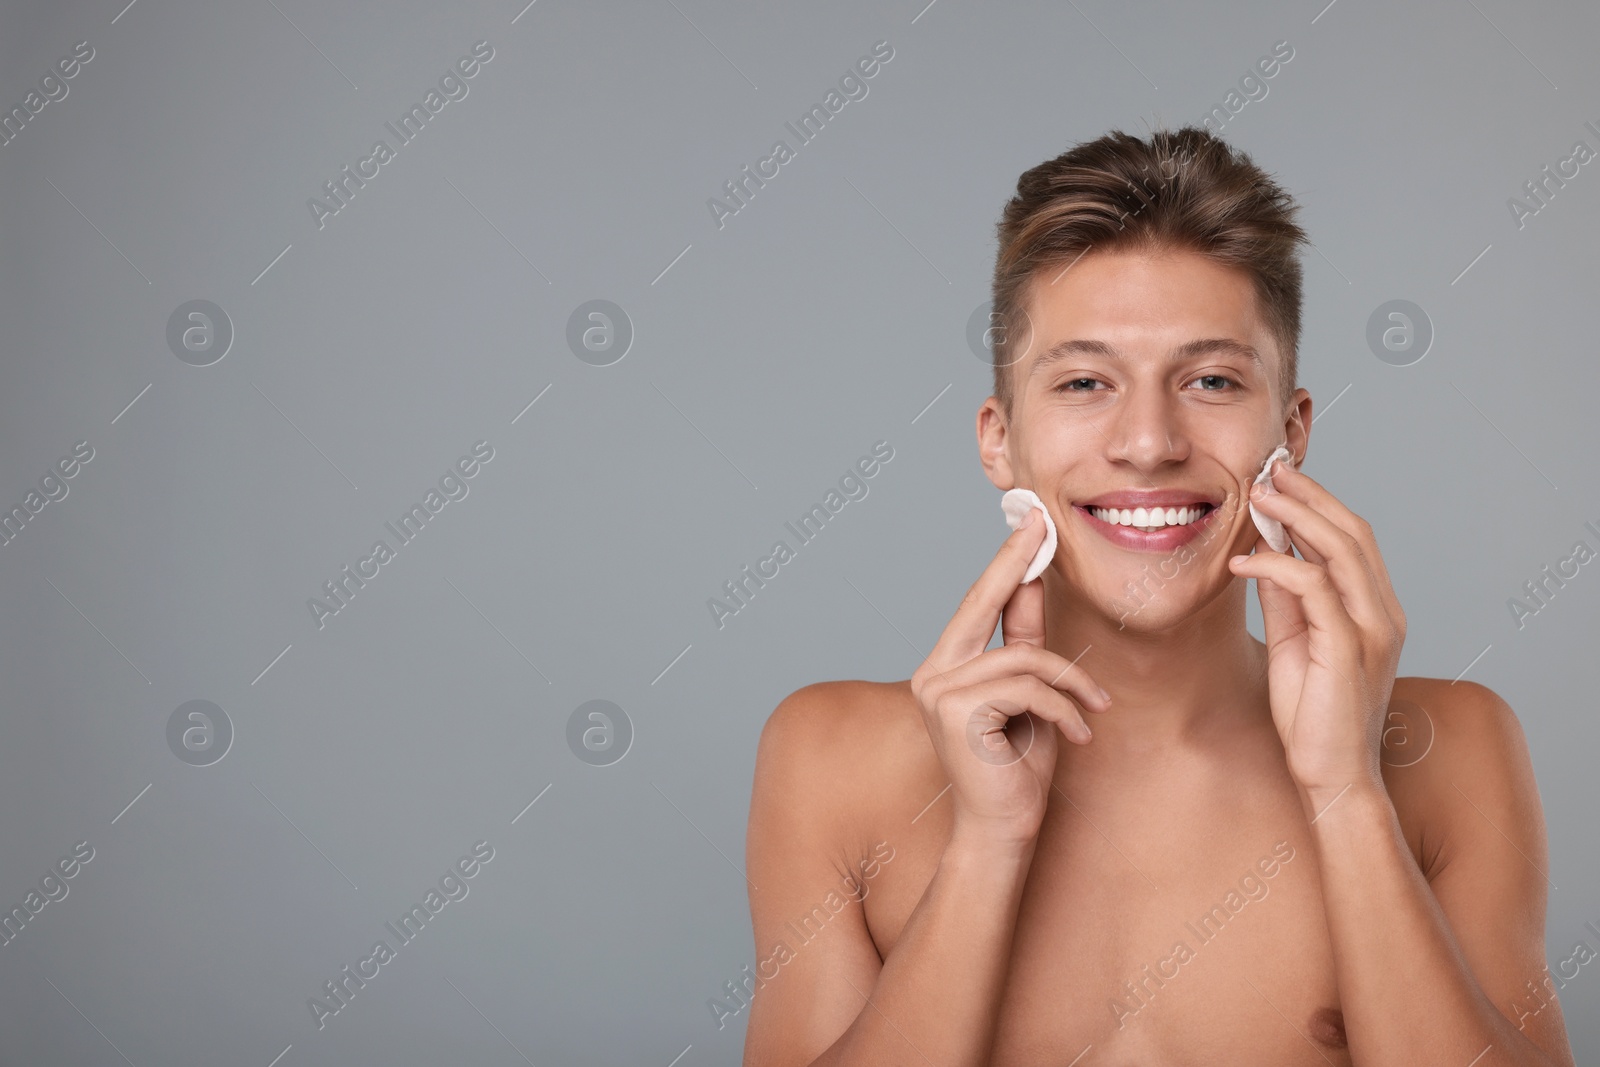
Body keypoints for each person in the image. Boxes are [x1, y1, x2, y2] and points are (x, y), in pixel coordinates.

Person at [739, 126, 1575, 1066]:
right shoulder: (829, 758)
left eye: (1211, 379)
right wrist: (987, 845)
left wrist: (1347, 793)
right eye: (1085, 382)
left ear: (1290, 432)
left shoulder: (1451, 751)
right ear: (1000, 441)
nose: (1148, 442)